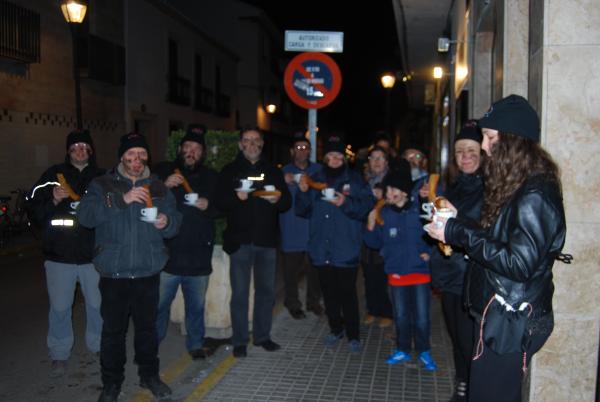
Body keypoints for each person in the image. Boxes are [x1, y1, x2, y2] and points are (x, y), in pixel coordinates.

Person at [425, 95, 567, 402]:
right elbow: (499, 239)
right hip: (498, 313)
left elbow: (519, 263)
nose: (485, 147)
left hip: (510, 318)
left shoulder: (536, 192)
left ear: (513, 141)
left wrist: (456, 231)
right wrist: (457, 220)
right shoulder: (519, 183)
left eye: (490, 138)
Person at [78, 133, 182, 402]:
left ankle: (150, 376)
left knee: (147, 329)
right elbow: (86, 217)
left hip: (148, 271)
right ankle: (111, 383)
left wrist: (165, 222)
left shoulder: (158, 187)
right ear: (121, 157)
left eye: (142, 155)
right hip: (114, 273)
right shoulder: (102, 184)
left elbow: (175, 222)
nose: (137, 161)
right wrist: (121, 200)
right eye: (131, 155)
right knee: (113, 332)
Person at [28, 130, 105, 378]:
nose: (80, 150)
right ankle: (59, 354)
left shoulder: (102, 177)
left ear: (91, 150)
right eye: (75, 147)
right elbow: (33, 211)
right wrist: (52, 197)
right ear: (68, 151)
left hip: (94, 256)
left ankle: (99, 346)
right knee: (60, 308)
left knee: (97, 305)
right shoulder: (53, 176)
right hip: (59, 256)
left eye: (84, 146)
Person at [215, 126, 291, 358]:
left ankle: (262, 336)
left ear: (262, 144)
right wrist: (236, 198)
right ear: (240, 144)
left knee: (266, 292)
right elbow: (219, 204)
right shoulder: (230, 171)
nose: (252, 144)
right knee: (239, 293)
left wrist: (278, 199)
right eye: (247, 140)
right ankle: (239, 340)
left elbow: (286, 202)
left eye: (256, 140)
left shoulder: (272, 171)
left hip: (266, 241)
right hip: (240, 241)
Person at [296, 135, 374, 353]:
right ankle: (335, 329)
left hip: (346, 247)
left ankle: (353, 335)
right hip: (321, 247)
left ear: (344, 158)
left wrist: (344, 202)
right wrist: (302, 193)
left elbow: (367, 205)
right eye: (331, 155)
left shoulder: (356, 179)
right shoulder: (314, 178)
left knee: (347, 293)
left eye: (339, 155)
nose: (335, 159)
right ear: (325, 157)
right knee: (329, 293)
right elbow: (302, 210)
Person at [153, 124, 219, 359]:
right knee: (159, 306)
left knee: (196, 308)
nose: (191, 151)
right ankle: (152, 344)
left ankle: (195, 344)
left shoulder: (211, 177)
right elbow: (143, 197)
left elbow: (222, 208)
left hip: (198, 255)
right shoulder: (162, 170)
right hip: (167, 255)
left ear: (203, 153)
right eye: (188, 146)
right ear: (180, 149)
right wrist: (163, 185)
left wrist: (208, 205)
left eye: (196, 148)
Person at [429, 120, 483, 402]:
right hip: (449, 276)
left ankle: (471, 387)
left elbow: (485, 228)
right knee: (456, 338)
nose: (466, 156)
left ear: (483, 153)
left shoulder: (490, 187)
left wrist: (455, 218)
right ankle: (462, 383)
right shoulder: (451, 187)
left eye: (472, 150)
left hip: (472, 278)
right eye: (461, 151)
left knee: (469, 341)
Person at [364, 165, 438, 371]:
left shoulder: (419, 211)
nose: (389, 194)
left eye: (393, 190)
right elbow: (374, 243)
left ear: (405, 191)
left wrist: (429, 254)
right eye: (387, 191)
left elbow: (436, 236)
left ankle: (424, 350)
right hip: (396, 273)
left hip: (420, 273)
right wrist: (370, 224)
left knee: (422, 318)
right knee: (401, 316)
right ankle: (402, 348)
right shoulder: (384, 214)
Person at [279, 130, 323, 319]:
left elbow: (324, 193)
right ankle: (292, 302)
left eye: (305, 148)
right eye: (298, 148)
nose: (302, 151)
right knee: (291, 272)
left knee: (315, 269)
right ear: (292, 151)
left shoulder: (318, 171)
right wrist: (282, 182)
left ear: (310, 151)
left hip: (313, 228)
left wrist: (311, 184)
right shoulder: (283, 172)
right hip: (290, 228)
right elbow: (272, 192)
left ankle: (313, 302)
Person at [361, 146, 393, 328]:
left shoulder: (391, 180)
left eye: (380, 158)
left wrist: (384, 198)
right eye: (373, 158)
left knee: (383, 274)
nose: (376, 162)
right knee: (368, 273)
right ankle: (372, 309)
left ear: (386, 162)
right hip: (366, 232)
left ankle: (387, 311)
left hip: (386, 234)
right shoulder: (364, 181)